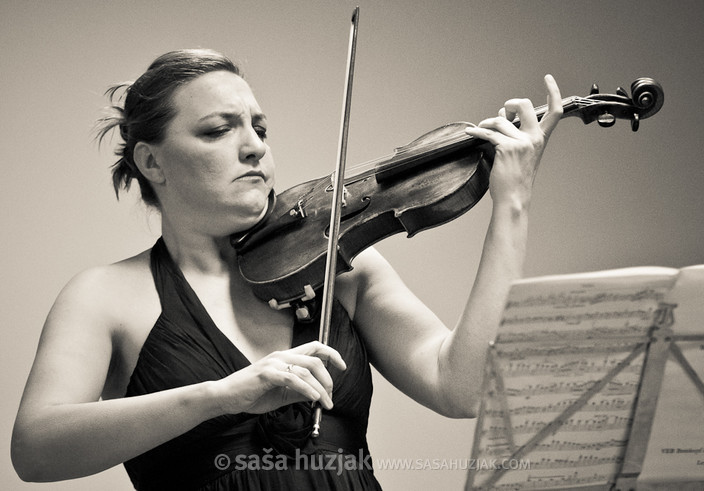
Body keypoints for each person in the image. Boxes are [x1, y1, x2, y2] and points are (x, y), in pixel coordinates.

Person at [11, 49, 562, 490]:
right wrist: (221, 396)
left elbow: (459, 389)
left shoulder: (342, 267)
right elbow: (36, 450)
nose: (254, 148)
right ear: (151, 161)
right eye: (217, 130)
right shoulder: (106, 296)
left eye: (260, 128)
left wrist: (512, 204)